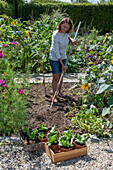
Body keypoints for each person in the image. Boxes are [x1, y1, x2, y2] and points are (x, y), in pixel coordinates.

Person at [49, 18, 75, 103]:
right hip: (54, 57)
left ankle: (60, 92)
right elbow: (56, 50)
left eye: (67, 27)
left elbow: (67, 37)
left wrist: (71, 39)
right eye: (64, 27)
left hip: (63, 57)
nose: (65, 29)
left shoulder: (66, 34)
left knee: (61, 75)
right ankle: (54, 95)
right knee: (56, 76)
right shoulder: (55, 35)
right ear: (60, 25)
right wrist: (63, 65)